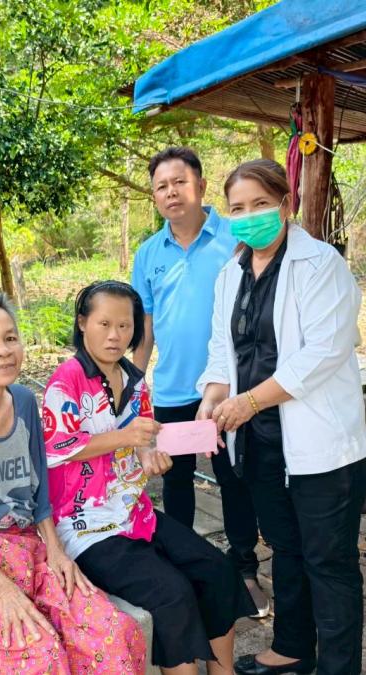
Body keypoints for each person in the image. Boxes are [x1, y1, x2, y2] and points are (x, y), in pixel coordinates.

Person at [0, 290, 146, 675]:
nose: (4, 350)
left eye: (10, 338)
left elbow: (39, 493)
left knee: (111, 631)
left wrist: (56, 550)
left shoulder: (22, 402)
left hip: (24, 545)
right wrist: (3, 589)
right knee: (40, 650)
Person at [197, 159, 366, 675]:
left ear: (285, 204)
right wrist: (212, 397)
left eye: (260, 204)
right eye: (238, 208)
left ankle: (338, 668)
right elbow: (222, 349)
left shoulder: (321, 265)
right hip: (261, 443)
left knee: (329, 563)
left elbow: (322, 353)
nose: (249, 216)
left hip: (320, 446)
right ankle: (293, 647)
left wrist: (248, 402)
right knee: (288, 549)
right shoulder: (230, 273)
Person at [43, 281, 255, 675]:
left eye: (125, 326)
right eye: (104, 324)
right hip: (86, 527)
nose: (115, 335)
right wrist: (126, 437)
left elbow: (141, 440)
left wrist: (149, 456)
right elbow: (57, 449)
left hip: (134, 514)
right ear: (82, 323)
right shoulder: (66, 381)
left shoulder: (134, 379)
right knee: (172, 594)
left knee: (217, 571)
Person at [131, 147, 268, 617]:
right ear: (154, 196)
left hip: (228, 389)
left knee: (234, 480)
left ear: (201, 186)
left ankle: (244, 569)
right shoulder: (148, 254)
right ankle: (183, 567)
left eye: (179, 182)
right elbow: (145, 328)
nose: (171, 192)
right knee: (177, 482)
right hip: (173, 391)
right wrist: (134, 383)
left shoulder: (235, 237)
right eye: (161, 186)